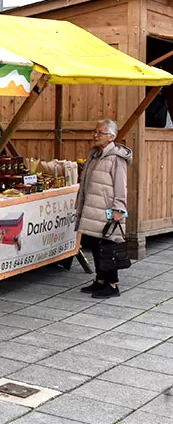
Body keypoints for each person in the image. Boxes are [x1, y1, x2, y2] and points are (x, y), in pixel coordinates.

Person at [75, 120, 131, 298]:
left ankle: (112, 284)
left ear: (111, 137)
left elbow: (121, 186)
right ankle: (100, 280)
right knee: (96, 244)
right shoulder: (95, 154)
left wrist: (119, 209)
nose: (95, 135)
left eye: (100, 132)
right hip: (93, 208)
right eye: (95, 131)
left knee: (109, 246)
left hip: (107, 209)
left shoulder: (116, 158)